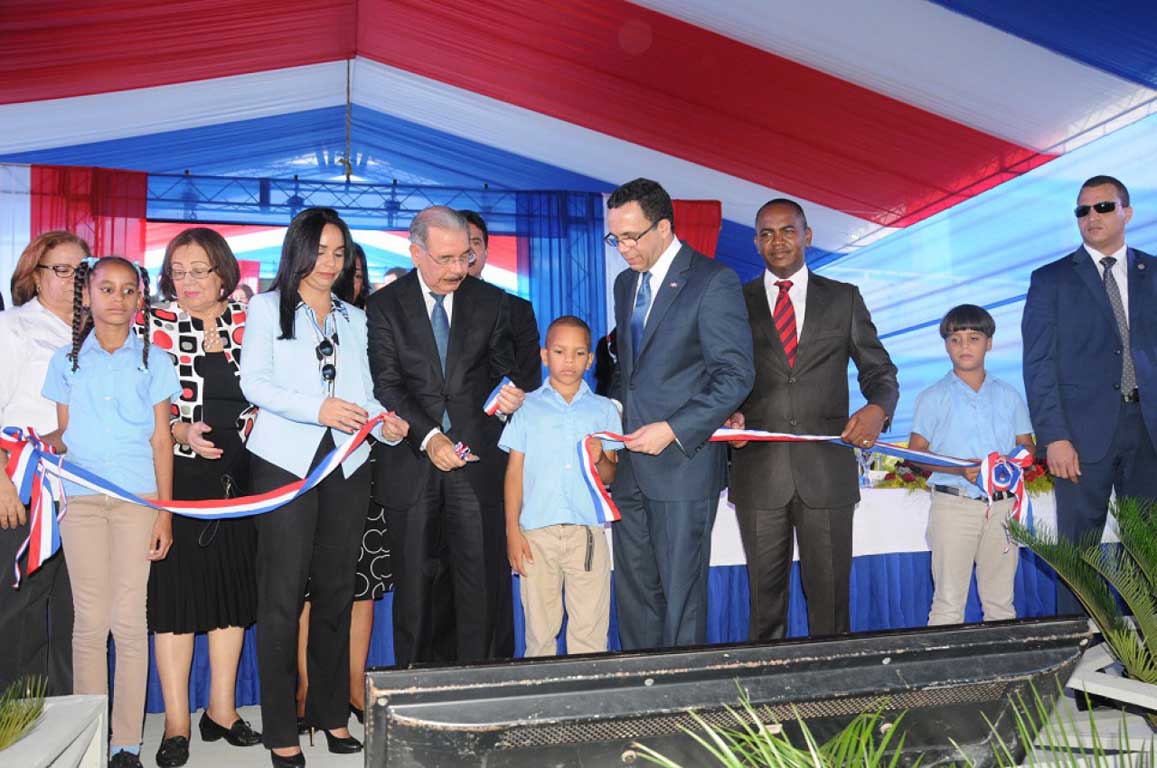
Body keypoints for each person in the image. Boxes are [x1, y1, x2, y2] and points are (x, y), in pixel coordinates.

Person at [240, 207, 408, 767]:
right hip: (284, 462)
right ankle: (281, 728)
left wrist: (386, 420)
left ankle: (332, 712)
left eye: (340, 254)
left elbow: (365, 390)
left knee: (339, 591)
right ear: (297, 250)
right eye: (321, 251)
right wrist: (318, 408)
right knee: (282, 597)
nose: (329, 264)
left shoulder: (354, 319)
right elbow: (254, 382)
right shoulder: (265, 308)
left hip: (349, 462)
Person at [727, 198, 898, 641]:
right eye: (766, 233)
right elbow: (718, 376)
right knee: (764, 609)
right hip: (758, 474)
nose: (777, 241)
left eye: (787, 230)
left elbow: (880, 372)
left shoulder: (843, 299)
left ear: (807, 236)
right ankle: (767, 700)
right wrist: (728, 415)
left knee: (832, 603)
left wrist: (877, 410)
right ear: (755, 242)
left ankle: (835, 705)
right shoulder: (732, 302)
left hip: (827, 473)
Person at [366, 206, 530, 666]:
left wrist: (511, 396)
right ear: (416, 253)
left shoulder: (492, 301)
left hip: (477, 468)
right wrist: (430, 437)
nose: (459, 269)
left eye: (465, 257)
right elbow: (388, 383)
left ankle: (480, 698)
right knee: (416, 597)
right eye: (446, 259)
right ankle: (416, 700)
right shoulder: (384, 305)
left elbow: (505, 372)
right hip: (413, 466)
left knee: (480, 594)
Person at [42, 256, 181, 768]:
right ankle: (89, 735)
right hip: (79, 502)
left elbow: (161, 441)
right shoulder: (66, 360)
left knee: (128, 621)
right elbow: (65, 432)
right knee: (87, 623)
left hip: (136, 502)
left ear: (140, 298)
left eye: (128, 290)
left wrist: (163, 513)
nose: (117, 299)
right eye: (106, 289)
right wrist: (31, 445)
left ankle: (125, 743)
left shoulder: (155, 360)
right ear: (88, 296)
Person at [606, 178, 754, 650]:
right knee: (634, 593)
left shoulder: (713, 281)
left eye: (631, 237)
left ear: (664, 228)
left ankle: (683, 704)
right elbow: (629, 374)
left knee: (681, 598)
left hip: (682, 468)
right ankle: (642, 694)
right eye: (615, 238)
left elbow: (735, 375)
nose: (623, 248)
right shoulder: (625, 283)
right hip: (630, 466)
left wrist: (672, 429)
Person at [146, 228, 261, 767]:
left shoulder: (252, 321)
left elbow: (271, 391)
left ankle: (222, 710)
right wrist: (180, 431)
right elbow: (147, 408)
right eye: (178, 271)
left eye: (199, 270)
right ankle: (175, 725)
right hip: (180, 479)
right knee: (176, 603)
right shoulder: (156, 324)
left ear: (223, 272)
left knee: (231, 599)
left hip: (243, 482)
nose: (187, 281)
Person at [1022, 175, 1157, 616]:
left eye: (1102, 207)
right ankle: (1079, 675)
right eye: (1082, 210)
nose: (1091, 217)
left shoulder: (1153, 272)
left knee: (1148, 555)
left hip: (1148, 432)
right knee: (1078, 558)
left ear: (1127, 212)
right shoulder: (1050, 280)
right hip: (1078, 439)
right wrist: (1054, 437)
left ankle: (1144, 668)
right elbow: (1038, 366)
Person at [296, 240, 389, 726]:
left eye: (352, 271)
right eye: (330, 261)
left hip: (360, 468)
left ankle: (355, 687)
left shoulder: (368, 324)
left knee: (362, 585)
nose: (341, 274)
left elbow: (381, 393)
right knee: (307, 587)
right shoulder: (291, 316)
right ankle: (310, 688)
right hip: (304, 467)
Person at [500, 316, 621, 656]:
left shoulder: (605, 410)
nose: (569, 361)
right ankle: (543, 707)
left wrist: (600, 459)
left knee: (591, 633)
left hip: (587, 534)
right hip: (536, 534)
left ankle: (587, 706)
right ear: (544, 355)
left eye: (579, 353)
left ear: (590, 359)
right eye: (559, 351)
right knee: (540, 633)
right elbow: (514, 472)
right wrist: (512, 530)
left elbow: (611, 475)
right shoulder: (526, 408)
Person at [0, 232, 88, 697]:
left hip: (84, 485)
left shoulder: (100, 331)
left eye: (81, 270)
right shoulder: (12, 328)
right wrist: (1, 485)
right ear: (34, 275)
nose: (74, 280)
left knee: (78, 611)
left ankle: (71, 719)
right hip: (23, 483)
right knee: (21, 607)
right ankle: (16, 719)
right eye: (62, 270)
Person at [908, 305, 1034, 626]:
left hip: (1003, 508)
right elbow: (916, 454)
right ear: (946, 345)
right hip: (954, 505)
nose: (964, 346)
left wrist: (1006, 463)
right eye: (955, 339)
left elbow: (1028, 446)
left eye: (974, 338)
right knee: (949, 602)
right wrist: (960, 469)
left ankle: (1004, 674)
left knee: (1001, 602)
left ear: (989, 343)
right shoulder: (932, 397)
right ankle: (946, 675)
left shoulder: (1009, 395)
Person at [458, 208, 542, 657]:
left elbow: (527, 373)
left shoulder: (515, 307)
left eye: (475, 242)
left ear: (486, 251)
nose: (467, 251)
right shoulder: (424, 308)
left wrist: (504, 394)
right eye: (458, 241)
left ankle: (495, 662)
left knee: (490, 564)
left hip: (495, 451)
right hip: (435, 453)